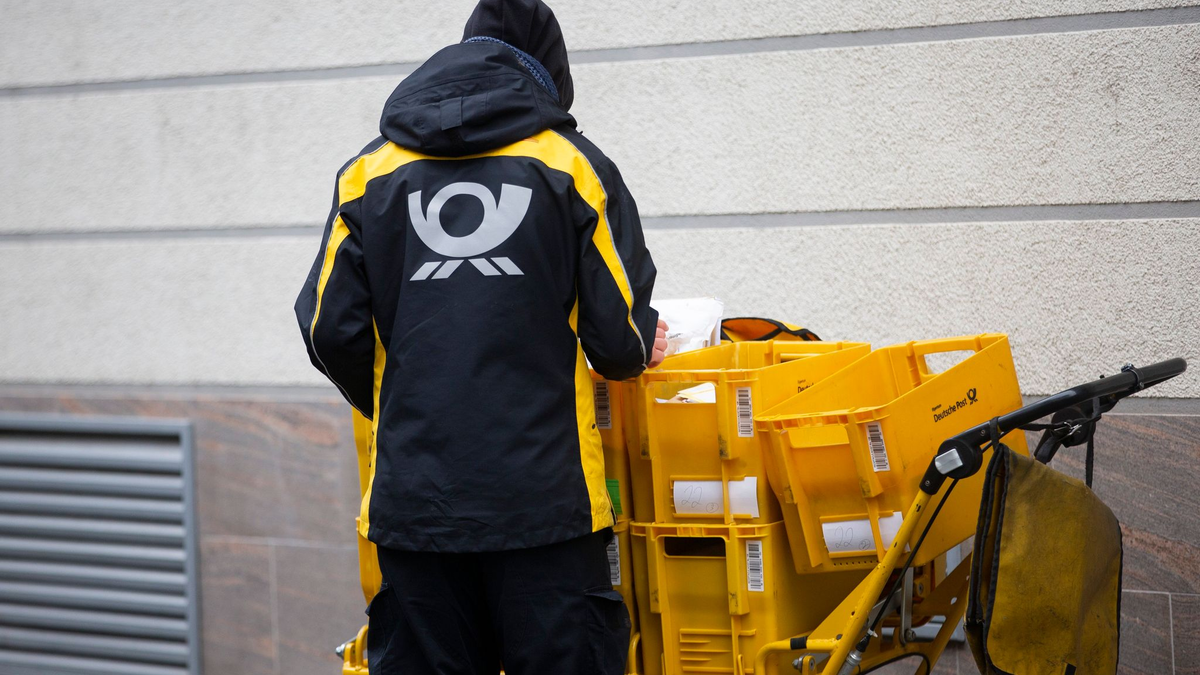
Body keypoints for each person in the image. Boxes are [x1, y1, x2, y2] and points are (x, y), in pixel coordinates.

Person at [294, 0, 666, 672]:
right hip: (546, 510)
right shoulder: (571, 166)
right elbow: (620, 344)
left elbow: (327, 329)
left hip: (415, 509)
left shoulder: (367, 174)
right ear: (550, 75)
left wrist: (410, 405)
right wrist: (644, 336)